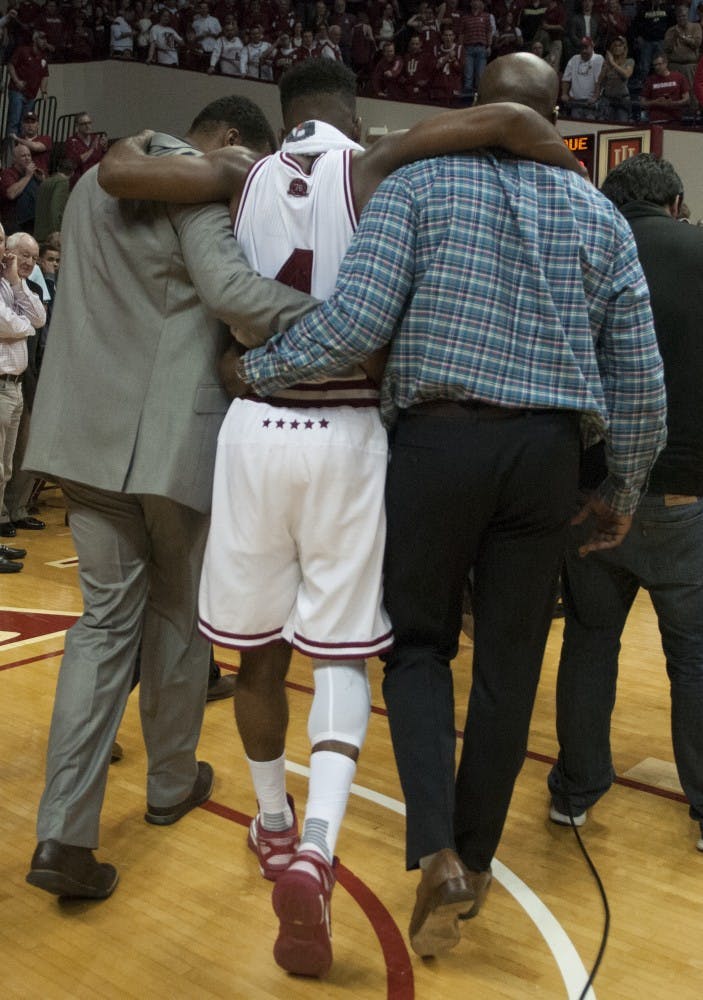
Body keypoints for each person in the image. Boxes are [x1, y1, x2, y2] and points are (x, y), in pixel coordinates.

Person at [98, 58, 584, 977]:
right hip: (349, 430)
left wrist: (135, 140)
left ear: (281, 114)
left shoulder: (233, 172)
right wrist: (556, 163)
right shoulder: (376, 162)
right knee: (341, 653)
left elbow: (121, 173)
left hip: (249, 426)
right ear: (353, 111)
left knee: (254, 650)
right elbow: (512, 126)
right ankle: (319, 846)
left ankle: (271, 826)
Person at [232, 53, 667, 959]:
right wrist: (619, 489)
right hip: (546, 455)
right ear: (557, 118)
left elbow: (354, 326)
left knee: (420, 647)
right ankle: (473, 855)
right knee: (510, 671)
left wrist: (258, 370)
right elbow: (640, 383)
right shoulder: (599, 213)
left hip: (436, 443)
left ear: (478, 110)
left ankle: (432, 847)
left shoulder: (420, 181)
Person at [23, 95, 316, 903]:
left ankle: (62, 834)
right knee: (178, 616)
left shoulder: (87, 184)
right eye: (243, 168)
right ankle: (169, 783)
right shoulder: (192, 183)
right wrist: (342, 315)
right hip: (170, 446)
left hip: (81, 434)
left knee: (101, 627)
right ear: (224, 143)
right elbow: (238, 301)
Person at [548, 154, 703, 855]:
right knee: (693, 656)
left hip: (590, 490)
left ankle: (575, 792)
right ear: (674, 201)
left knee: (588, 640)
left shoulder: (577, 248)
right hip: (684, 495)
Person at [0, 226, 45, 567]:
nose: (27, 261)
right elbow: (12, 325)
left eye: (33, 257)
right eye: (21, 253)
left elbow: (38, 318)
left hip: (14, 385)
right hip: (1, 384)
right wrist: (22, 324)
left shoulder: (9, 283)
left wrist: (16, 281)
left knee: (4, 468)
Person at [5, 30, 49, 139]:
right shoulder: (22, 50)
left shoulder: (43, 57)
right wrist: (17, 81)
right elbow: (10, 65)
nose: (45, 42)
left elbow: (45, 75)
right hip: (17, 91)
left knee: (25, 125)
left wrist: (43, 91)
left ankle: (20, 151)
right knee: (14, 122)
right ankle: (10, 153)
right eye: (42, 39)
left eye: (45, 39)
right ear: (35, 39)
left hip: (31, 95)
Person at [0, 141, 42, 235]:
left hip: (32, 222)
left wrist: (42, 180)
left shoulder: (34, 174)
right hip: (13, 223)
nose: (27, 159)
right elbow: (11, 194)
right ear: (14, 159)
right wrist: (27, 177)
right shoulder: (8, 173)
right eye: (23, 156)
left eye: (29, 155)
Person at [561, 35, 604, 119]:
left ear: (592, 46)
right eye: (581, 48)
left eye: (586, 48)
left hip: (590, 103)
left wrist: (595, 96)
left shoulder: (598, 59)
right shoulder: (574, 59)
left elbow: (599, 80)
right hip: (575, 102)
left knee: (590, 122)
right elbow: (566, 79)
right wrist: (564, 94)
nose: (583, 51)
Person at [640, 51, 691, 122]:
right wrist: (655, 102)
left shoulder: (679, 77)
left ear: (666, 63)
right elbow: (642, 103)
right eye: (655, 65)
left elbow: (687, 100)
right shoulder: (650, 80)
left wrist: (673, 103)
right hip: (656, 120)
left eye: (659, 64)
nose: (657, 67)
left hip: (675, 119)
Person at [63, 112, 108, 189]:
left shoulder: (95, 139)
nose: (88, 126)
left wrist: (104, 148)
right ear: (77, 126)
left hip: (96, 180)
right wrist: (91, 149)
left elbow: (104, 162)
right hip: (80, 181)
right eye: (84, 124)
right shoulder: (71, 141)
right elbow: (74, 162)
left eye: (89, 123)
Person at [595, 35, 634, 122]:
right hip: (608, 100)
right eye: (615, 45)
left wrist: (613, 63)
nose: (617, 48)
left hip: (622, 100)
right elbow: (599, 81)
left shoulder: (629, 61)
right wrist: (596, 96)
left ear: (624, 48)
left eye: (620, 45)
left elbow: (626, 74)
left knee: (621, 125)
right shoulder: (607, 63)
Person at [9, 109, 51, 175]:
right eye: (27, 122)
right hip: (21, 176)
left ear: (38, 125)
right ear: (23, 125)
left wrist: (17, 138)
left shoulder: (45, 138)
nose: (30, 125)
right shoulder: (17, 141)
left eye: (33, 122)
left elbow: (36, 147)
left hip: (39, 176)